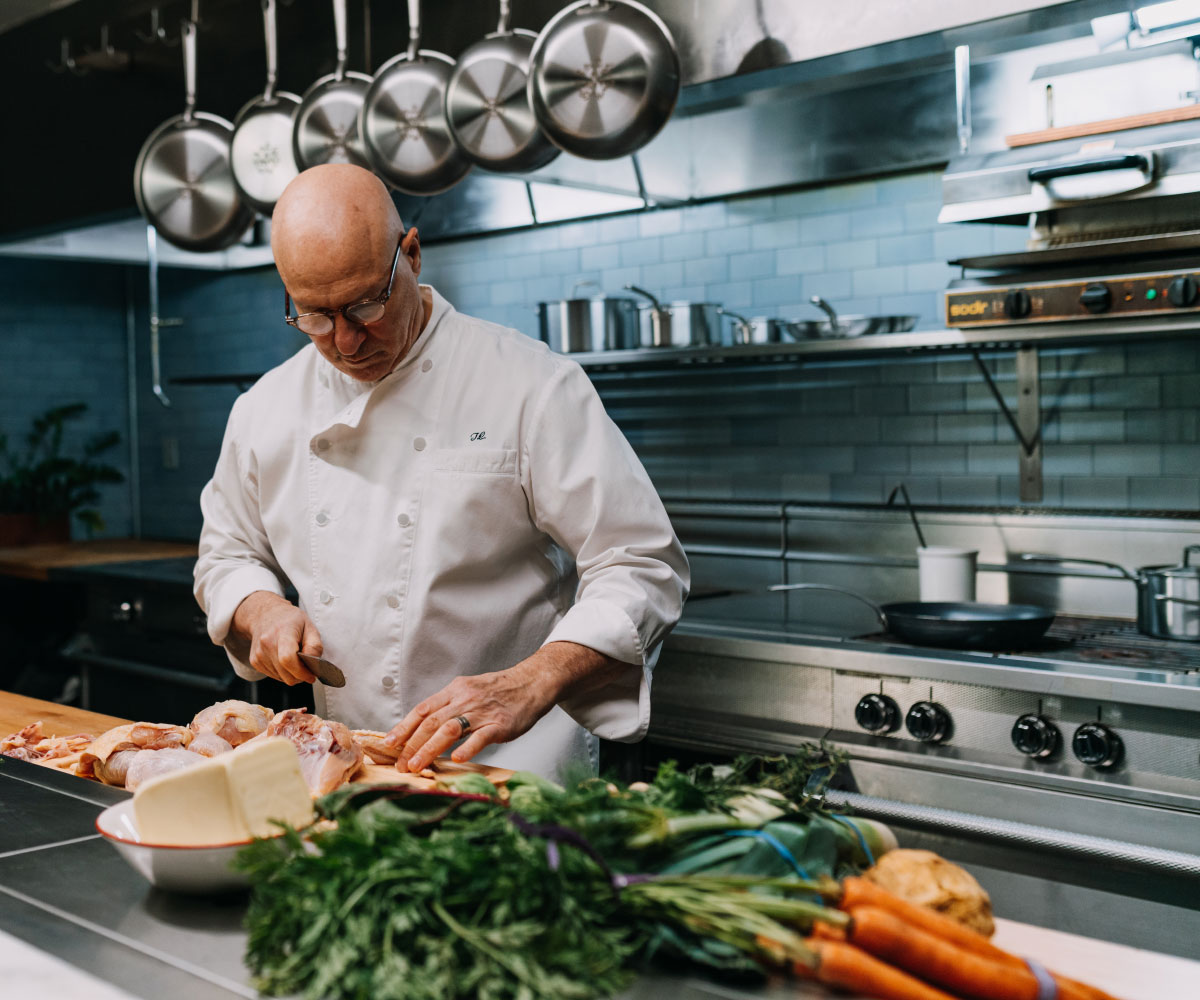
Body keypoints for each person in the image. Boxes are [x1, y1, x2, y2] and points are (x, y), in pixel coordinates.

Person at [193, 164, 689, 779]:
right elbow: (225, 554)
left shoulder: (532, 385)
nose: (346, 342)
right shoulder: (265, 406)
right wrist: (259, 607)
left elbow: (641, 563)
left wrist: (531, 680)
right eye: (315, 315)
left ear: (413, 255)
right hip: (350, 768)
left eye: (365, 304)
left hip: (510, 768)